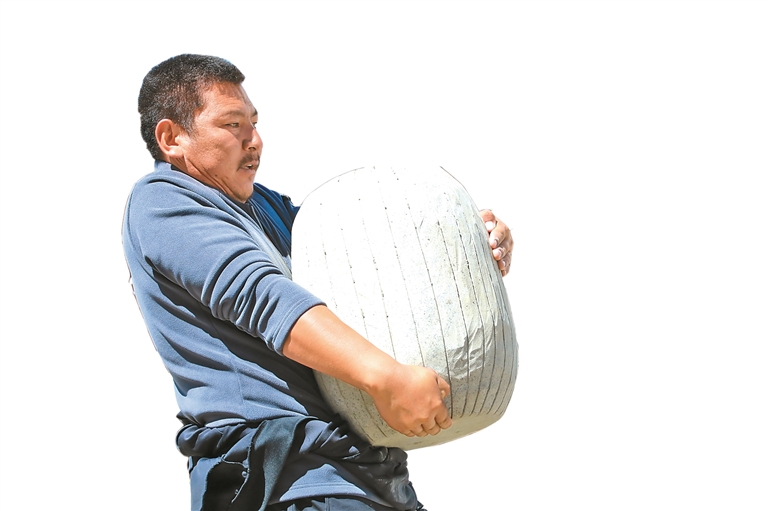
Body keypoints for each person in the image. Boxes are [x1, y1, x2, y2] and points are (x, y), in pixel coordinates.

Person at [123, 54, 513, 511]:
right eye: (232, 125)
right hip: (284, 480)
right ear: (171, 138)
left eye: (254, 123)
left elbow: (361, 248)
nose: (254, 141)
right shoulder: (162, 202)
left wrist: (462, 237)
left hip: (354, 473)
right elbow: (264, 299)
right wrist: (386, 378)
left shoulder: (265, 207)